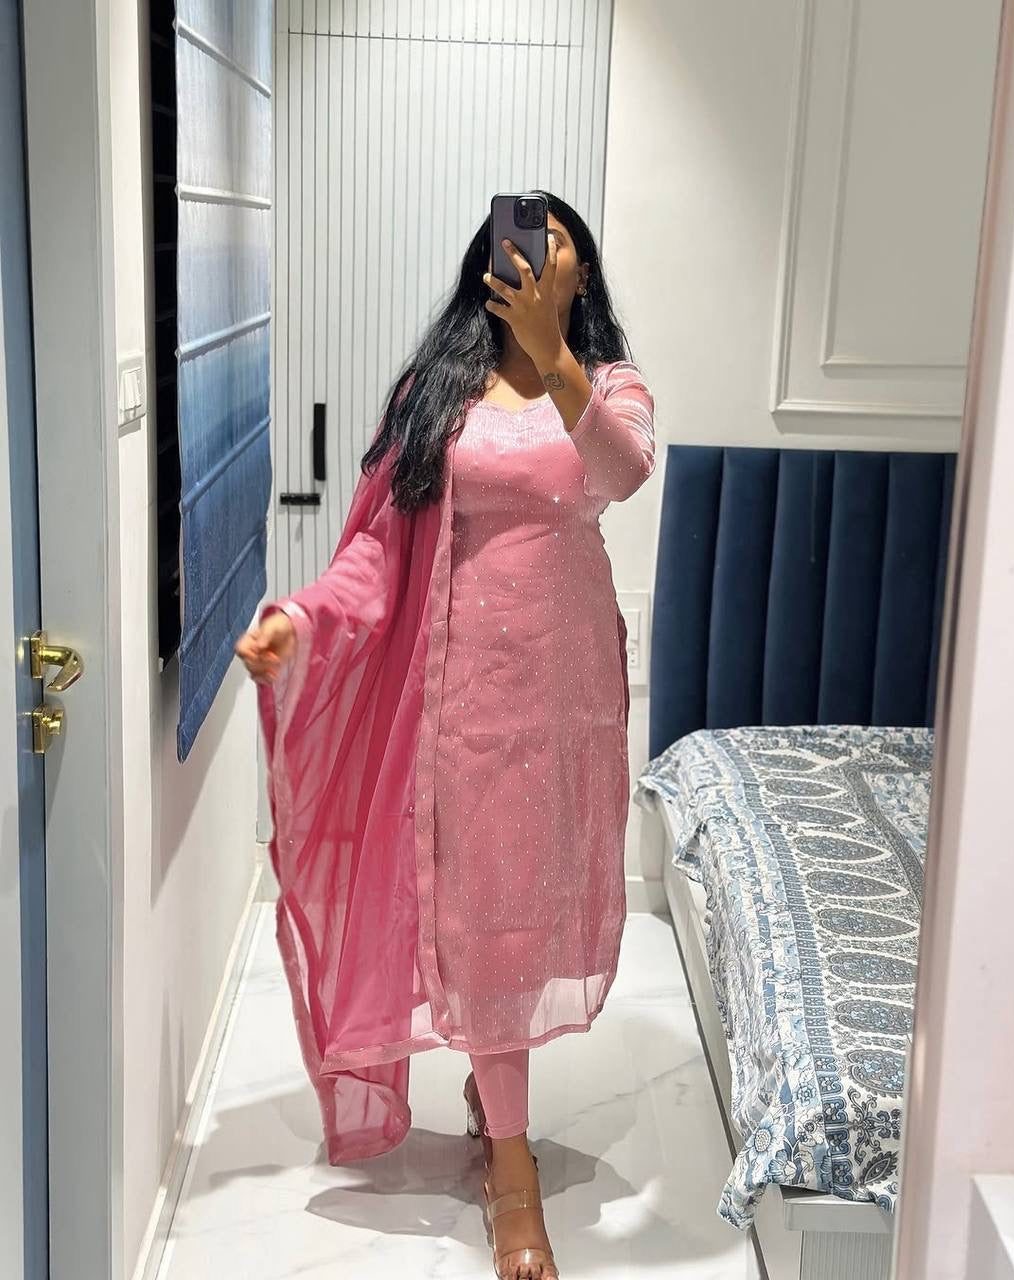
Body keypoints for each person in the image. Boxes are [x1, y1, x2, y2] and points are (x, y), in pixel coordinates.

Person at [236, 190, 655, 1280]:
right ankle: (510, 1170)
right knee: (486, 919)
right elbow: (378, 549)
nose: (537, 256)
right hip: (465, 697)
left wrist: (552, 354)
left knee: (529, 907)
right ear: (489, 265)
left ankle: (491, 1079)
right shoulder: (437, 395)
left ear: (579, 273)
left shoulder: (609, 384)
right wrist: (302, 619)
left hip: (567, 699)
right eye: (523, 242)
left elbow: (619, 472)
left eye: (557, 245)